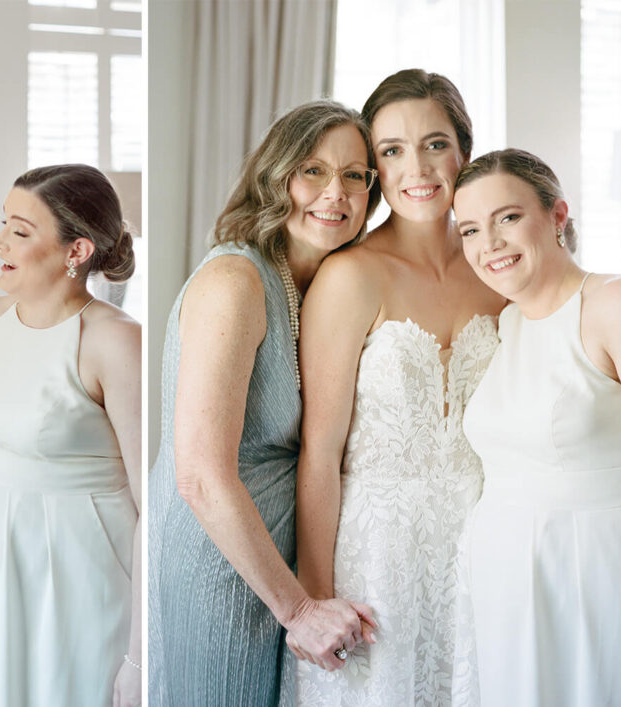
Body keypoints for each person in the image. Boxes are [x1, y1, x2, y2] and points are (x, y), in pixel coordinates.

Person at [148, 100, 382, 706]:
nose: (336, 192)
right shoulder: (235, 282)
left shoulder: (322, 282)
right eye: (313, 170)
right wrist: (299, 607)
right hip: (224, 560)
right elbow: (199, 476)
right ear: (276, 176)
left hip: (283, 560)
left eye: (355, 175)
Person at [294, 70, 505, 706]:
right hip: (378, 557)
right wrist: (315, 600)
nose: (418, 167)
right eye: (391, 151)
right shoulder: (351, 275)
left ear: (463, 152)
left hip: (482, 549)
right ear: (375, 170)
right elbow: (320, 453)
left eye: (435, 143)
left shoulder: (494, 271)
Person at [450, 148, 621, 706]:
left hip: (607, 565)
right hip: (508, 579)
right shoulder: (504, 323)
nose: (488, 244)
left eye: (508, 218)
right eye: (469, 229)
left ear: (558, 216)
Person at [0, 163, 141, 707]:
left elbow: (152, 505)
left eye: (21, 231)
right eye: (4, 222)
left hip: (71, 565)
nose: (0, 240)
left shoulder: (114, 341)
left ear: (77, 251)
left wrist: (141, 653)